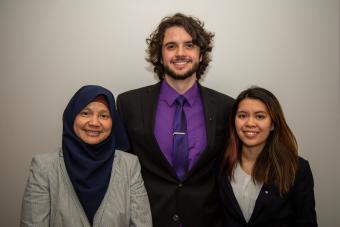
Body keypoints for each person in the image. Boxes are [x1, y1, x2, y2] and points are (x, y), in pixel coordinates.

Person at [116, 13, 234, 227]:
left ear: (200, 54)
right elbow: (118, 172)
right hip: (146, 220)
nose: (180, 53)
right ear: (160, 55)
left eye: (189, 45)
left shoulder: (226, 107)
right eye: (171, 46)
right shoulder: (129, 104)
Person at [20, 85, 152, 227]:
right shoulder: (43, 167)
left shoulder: (129, 165)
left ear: (113, 122)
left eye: (103, 115)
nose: (94, 123)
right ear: (71, 117)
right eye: (85, 113)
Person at [219, 86, 317, 227]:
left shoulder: (296, 169)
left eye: (260, 116)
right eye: (242, 116)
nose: (250, 123)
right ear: (234, 122)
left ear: (272, 124)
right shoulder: (221, 164)